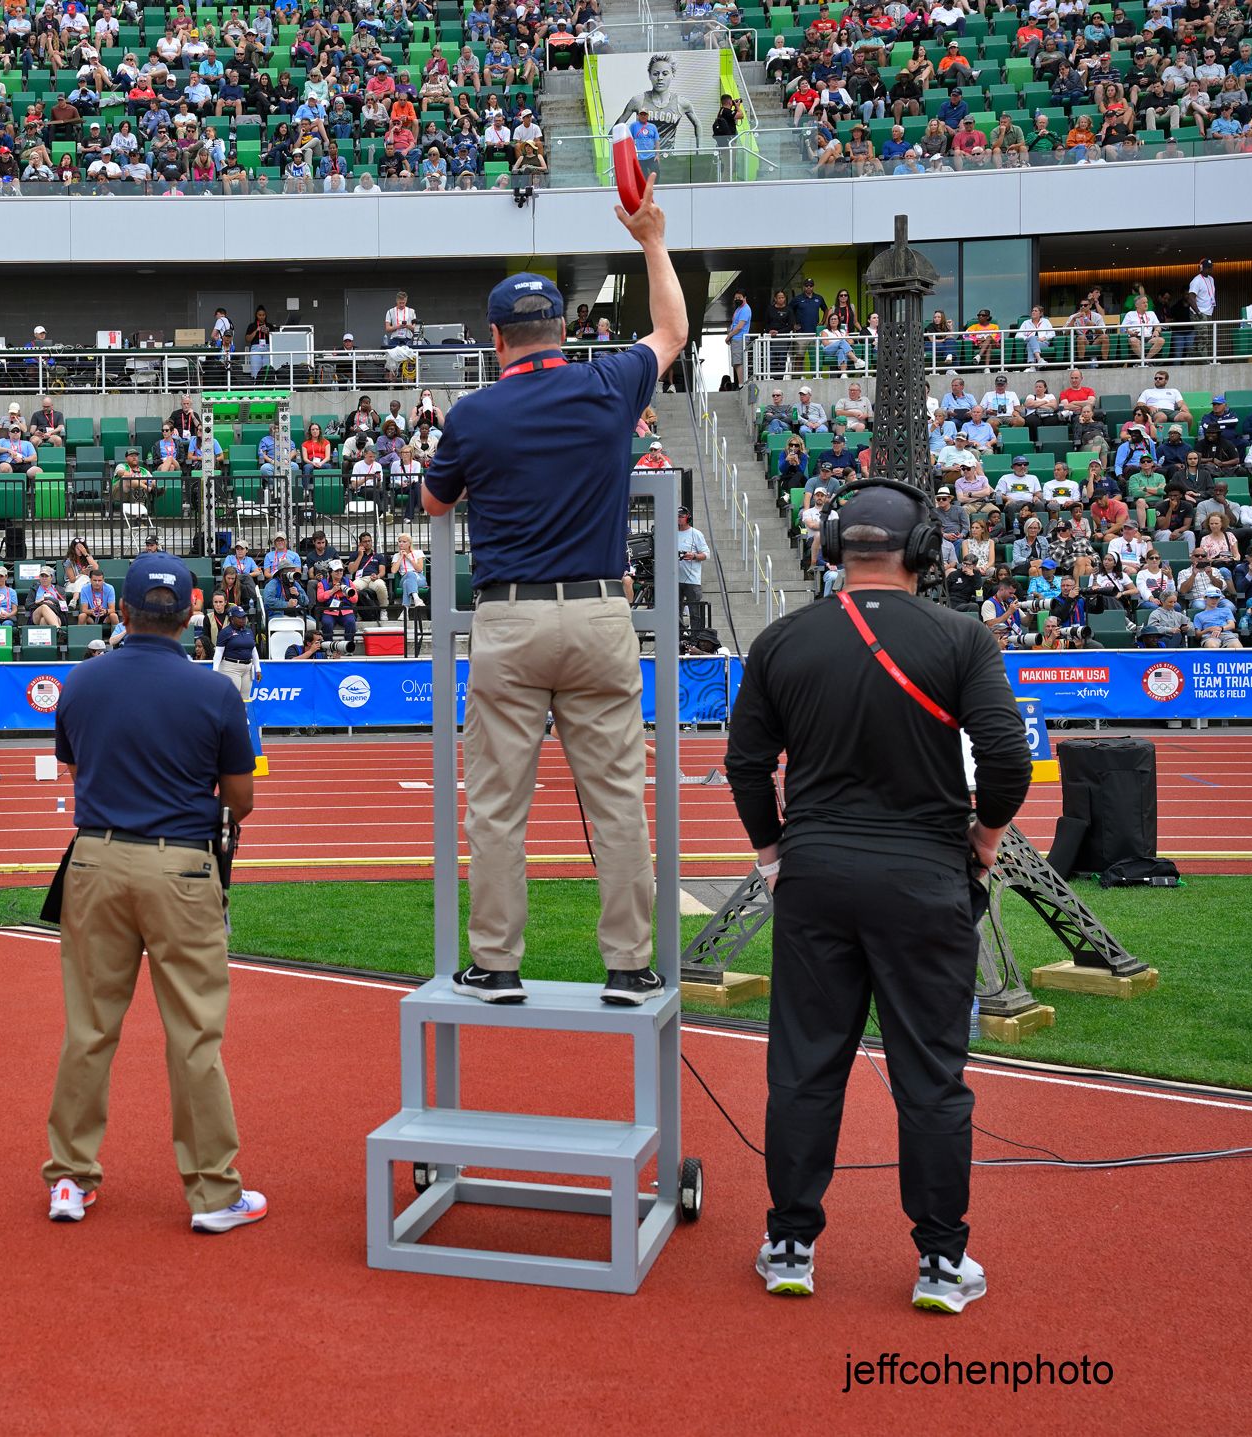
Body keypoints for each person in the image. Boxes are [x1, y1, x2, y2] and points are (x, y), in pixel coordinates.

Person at [724, 480, 1031, 1315]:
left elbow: (744, 763)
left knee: (804, 1064)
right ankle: (939, 1259)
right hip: (927, 877)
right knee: (930, 1077)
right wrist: (987, 839)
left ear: (832, 550)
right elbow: (1007, 759)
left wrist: (772, 850)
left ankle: (790, 1242)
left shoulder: (784, 639)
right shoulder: (962, 636)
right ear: (923, 553)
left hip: (817, 874)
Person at [422, 177, 686, 1007]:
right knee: (617, 801)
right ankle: (628, 964)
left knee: (498, 806)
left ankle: (496, 964)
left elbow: (434, 501)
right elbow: (674, 330)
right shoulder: (607, 385)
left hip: (509, 615)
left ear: (495, 337)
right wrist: (649, 237)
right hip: (603, 611)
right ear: (564, 332)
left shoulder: (473, 413)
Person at [44, 552, 264, 1234]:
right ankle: (212, 1191)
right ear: (191, 613)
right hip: (180, 866)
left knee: (89, 1028)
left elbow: (73, 764)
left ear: (121, 609)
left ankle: (69, 1179)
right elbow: (241, 798)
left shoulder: (82, 680)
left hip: (96, 860)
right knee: (193, 1034)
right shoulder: (216, 691)